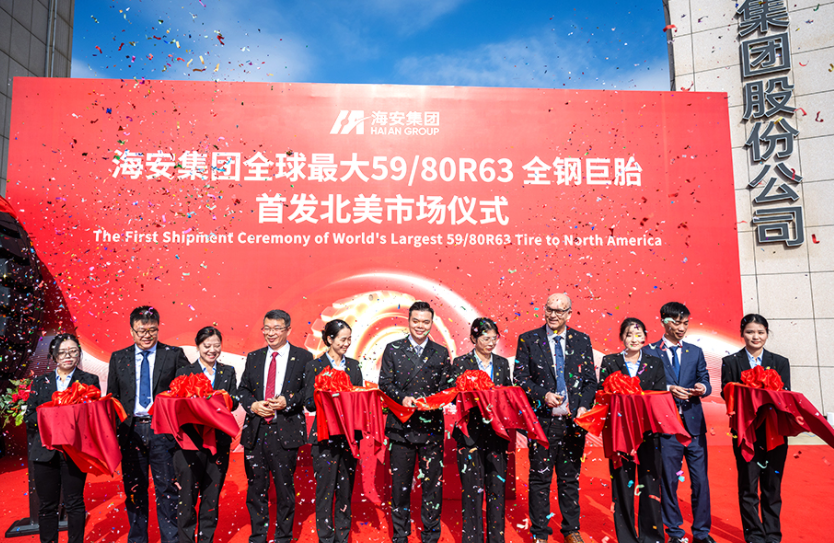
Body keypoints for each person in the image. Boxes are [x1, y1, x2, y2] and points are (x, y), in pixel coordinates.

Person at [513, 292, 597, 543]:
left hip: (573, 423)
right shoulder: (529, 339)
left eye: (559, 311)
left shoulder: (581, 340)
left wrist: (584, 406)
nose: (553, 314)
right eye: (549, 309)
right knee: (540, 478)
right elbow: (520, 378)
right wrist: (543, 395)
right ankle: (540, 533)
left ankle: (571, 530)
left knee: (569, 478)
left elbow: (590, 381)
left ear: (569, 313)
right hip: (542, 422)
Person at [107, 306, 189, 543]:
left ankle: (171, 540)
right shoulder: (119, 358)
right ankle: (137, 539)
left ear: (158, 329)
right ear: (131, 331)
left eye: (152, 330)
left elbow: (184, 393)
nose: (147, 335)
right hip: (130, 431)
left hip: (162, 430)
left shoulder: (173, 355)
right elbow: (113, 398)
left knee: (167, 489)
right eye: (141, 331)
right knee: (134, 490)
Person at [378, 301, 453, 543]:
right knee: (400, 487)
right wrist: (403, 398)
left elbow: (447, 387)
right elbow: (384, 383)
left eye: (425, 322)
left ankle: (430, 535)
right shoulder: (393, 349)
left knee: (432, 487)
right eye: (416, 321)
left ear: (432, 324)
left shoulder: (441, 352)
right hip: (400, 428)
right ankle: (400, 535)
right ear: (408, 321)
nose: (420, 326)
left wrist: (434, 400)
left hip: (431, 429)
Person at [238, 309, 312, 543]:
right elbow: (242, 390)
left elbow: (308, 393)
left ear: (288, 330)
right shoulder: (254, 357)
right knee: (255, 489)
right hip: (256, 431)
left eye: (277, 329)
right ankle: (258, 537)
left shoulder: (304, 357)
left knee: (284, 490)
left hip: (285, 431)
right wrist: (253, 405)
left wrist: (287, 401)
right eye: (267, 328)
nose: (271, 333)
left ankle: (283, 538)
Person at [643, 302, 715, 543]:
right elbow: (645, 385)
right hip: (666, 428)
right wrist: (668, 389)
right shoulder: (650, 352)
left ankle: (702, 533)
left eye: (685, 323)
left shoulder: (695, 351)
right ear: (663, 322)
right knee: (669, 481)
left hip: (694, 426)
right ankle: (674, 532)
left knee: (701, 481)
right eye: (676, 322)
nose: (681, 328)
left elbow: (705, 379)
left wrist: (702, 387)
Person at [721, 314, 791, 543]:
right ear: (742, 334)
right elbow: (726, 393)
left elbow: (786, 395)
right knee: (748, 487)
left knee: (772, 486)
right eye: (750, 332)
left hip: (774, 432)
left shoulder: (780, 361)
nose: (755, 337)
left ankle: (772, 536)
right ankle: (755, 536)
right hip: (746, 432)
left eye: (760, 332)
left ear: (767, 334)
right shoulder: (731, 362)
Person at [26, 334, 100, 543]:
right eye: (62, 352)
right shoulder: (40, 382)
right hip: (44, 452)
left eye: (73, 351)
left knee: (74, 502)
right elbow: (29, 417)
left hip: (75, 451)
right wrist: (54, 418)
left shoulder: (89, 381)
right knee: (47, 505)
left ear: (79, 354)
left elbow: (93, 416)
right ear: (53, 355)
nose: (68, 356)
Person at [598, 318, 666, 543]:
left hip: (648, 433)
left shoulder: (655, 363)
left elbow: (659, 396)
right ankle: (627, 538)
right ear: (622, 338)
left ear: (645, 337)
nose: (634, 339)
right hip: (620, 434)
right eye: (629, 334)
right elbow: (601, 394)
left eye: (639, 335)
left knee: (650, 484)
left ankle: (652, 537)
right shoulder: (610, 361)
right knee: (622, 486)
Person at [173, 326, 239, 543]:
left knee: (211, 500)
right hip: (189, 445)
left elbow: (234, 402)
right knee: (186, 499)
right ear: (197, 346)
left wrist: (224, 399)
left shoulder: (228, 371)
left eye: (216, 345)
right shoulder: (184, 372)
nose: (212, 350)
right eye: (207, 345)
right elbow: (176, 406)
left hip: (218, 443)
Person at [451, 318, 513, 543]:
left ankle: (496, 539)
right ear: (473, 339)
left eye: (494, 338)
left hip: (497, 436)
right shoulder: (461, 363)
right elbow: (453, 397)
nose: (490, 343)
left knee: (497, 491)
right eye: (485, 338)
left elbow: (508, 395)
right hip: (470, 436)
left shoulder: (502, 363)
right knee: (471, 492)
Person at [304, 319, 364, 543]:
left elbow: (359, 399)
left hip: (349, 438)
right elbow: (309, 403)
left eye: (349, 339)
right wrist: (327, 393)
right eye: (342, 339)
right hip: (324, 438)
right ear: (329, 339)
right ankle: (326, 538)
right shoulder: (314, 366)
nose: (347, 343)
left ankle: (343, 537)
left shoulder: (354, 366)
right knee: (325, 492)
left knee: (345, 491)